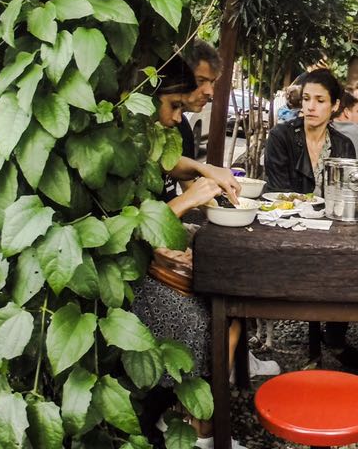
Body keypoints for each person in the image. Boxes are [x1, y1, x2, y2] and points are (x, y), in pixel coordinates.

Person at [134, 59, 274, 449]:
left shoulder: (151, 135)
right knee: (216, 314)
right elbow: (120, 232)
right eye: (174, 106)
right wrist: (186, 203)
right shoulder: (129, 139)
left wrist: (204, 170)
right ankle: (197, 427)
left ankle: (199, 417)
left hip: (152, 256)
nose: (177, 117)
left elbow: (167, 164)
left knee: (231, 279)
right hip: (131, 278)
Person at [266, 70, 356, 195]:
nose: (311, 107)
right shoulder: (281, 136)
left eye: (320, 101)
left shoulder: (344, 145)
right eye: (306, 99)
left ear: (335, 105)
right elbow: (278, 192)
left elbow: (346, 195)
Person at [163, 40, 221, 199]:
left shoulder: (183, 128)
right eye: (200, 81)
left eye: (212, 82)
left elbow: (188, 184)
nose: (210, 92)